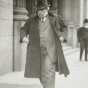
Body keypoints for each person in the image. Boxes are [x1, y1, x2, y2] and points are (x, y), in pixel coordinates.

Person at [20, 0, 69, 88]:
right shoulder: (32, 20)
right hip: (37, 51)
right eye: (39, 11)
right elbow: (23, 29)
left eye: (44, 10)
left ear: (47, 9)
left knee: (48, 71)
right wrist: (23, 37)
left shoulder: (55, 18)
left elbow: (64, 28)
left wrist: (62, 36)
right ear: (36, 10)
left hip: (51, 50)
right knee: (41, 74)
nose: (42, 13)